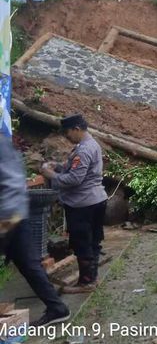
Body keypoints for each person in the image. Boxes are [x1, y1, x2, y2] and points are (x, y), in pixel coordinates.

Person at [1, 136, 70, 326]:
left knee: (30, 266)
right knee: (30, 266)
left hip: (9, 218)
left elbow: (13, 184)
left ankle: (57, 308)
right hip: (12, 217)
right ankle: (57, 308)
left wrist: (6, 222)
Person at [40, 114, 108, 294]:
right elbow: (76, 168)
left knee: (82, 243)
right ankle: (92, 278)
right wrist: (59, 166)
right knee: (93, 241)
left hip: (83, 204)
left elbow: (74, 179)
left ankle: (86, 283)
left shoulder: (84, 150)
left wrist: (51, 175)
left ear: (77, 129)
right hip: (96, 200)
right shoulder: (89, 145)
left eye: (68, 132)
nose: (67, 136)